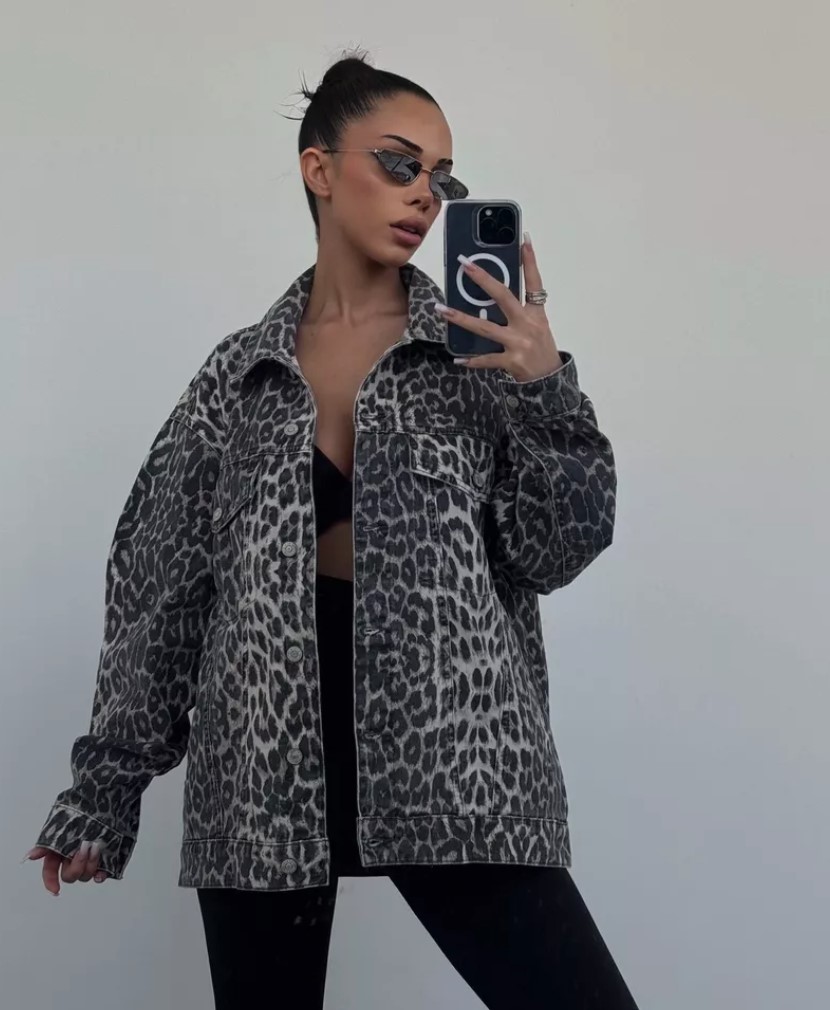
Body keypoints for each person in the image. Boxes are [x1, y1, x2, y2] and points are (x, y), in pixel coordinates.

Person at [24, 49, 637, 1010]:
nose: (425, 194)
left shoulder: (479, 362)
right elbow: (159, 591)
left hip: (459, 763)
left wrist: (544, 385)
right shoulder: (237, 377)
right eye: (399, 163)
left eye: (443, 176)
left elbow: (556, 549)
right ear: (319, 168)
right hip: (260, 774)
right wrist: (104, 791)